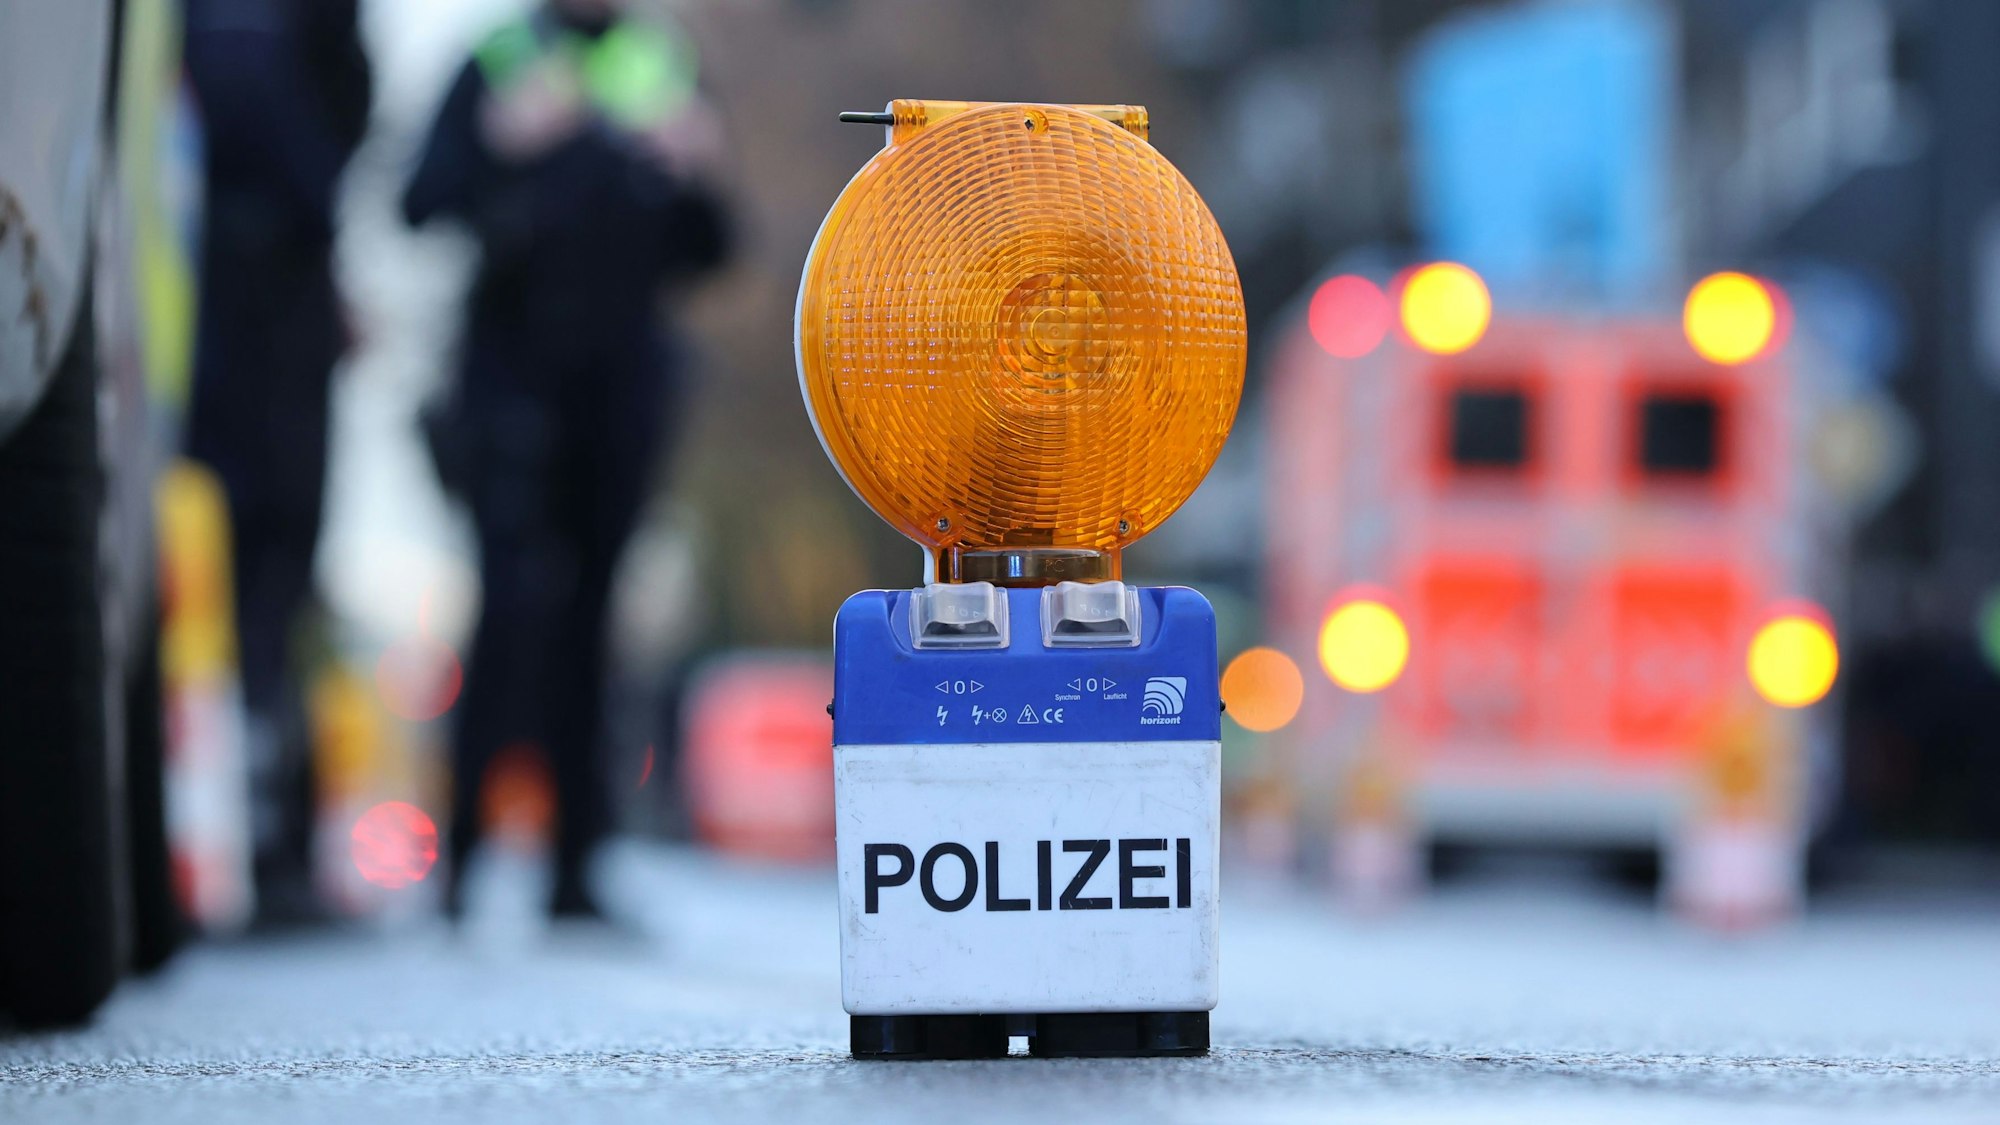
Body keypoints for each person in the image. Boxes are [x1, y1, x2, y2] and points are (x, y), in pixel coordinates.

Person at [402, 0, 731, 920]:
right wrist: (499, 147)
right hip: (510, 384)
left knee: (592, 620)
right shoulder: (499, 59)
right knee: (509, 612)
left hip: (621, 393)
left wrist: (699, 170)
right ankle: (461, 859)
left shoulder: (663, 63)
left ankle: (576, 870)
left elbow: (712, 246)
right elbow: (420, 200)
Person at [183, 0, 372, 926]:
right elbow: (324, 132)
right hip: (245, 317)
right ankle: (258, 846)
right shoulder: (259, 29)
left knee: (252, 591)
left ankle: (255, 840)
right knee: (254, 585)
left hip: (230, 305)